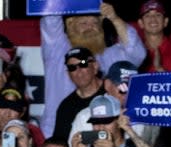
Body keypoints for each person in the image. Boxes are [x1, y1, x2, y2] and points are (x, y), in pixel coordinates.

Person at [39, 3, 146, 137]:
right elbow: (50, 14)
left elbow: (137, 53)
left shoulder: (109, 55)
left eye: (95, 23)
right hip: (56, 135)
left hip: (102, 135)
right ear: (70, 25)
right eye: (83, 23)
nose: (90, 27)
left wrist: (114, 19)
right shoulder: (56, 49)